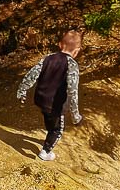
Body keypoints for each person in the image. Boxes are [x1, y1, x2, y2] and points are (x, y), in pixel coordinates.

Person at [16, 29, 84, 161]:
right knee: (57, 130)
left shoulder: (48, 58)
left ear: (60, 44)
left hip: (41, 100)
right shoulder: (72, 65)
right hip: (56, 105)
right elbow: (73, 90)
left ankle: (49, 132)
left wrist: (22, 90)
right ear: (76, 51)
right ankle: (45, 151)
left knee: (49, 119)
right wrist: (76, 115)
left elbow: (32, 74)